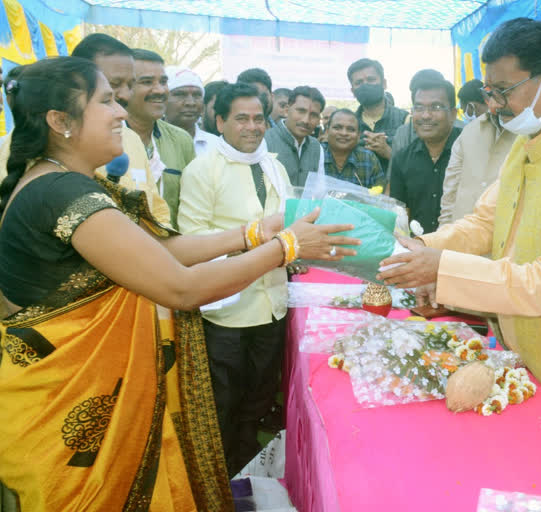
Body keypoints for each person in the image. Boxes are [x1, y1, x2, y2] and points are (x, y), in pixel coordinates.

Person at [0, 56, 358, 511]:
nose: (122, 112)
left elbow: (160, 250)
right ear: (60, 121)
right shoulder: (63, 194)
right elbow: (180, 288)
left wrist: (253, 234)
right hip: (69, 411)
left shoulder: (67, 183)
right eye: (107, 100)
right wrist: (286, 247)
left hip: (73, 398)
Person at [378, 18, 541, 395]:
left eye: (504, 90)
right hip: (519, 349)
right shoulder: (529, 138)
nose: (495, 105)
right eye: (490, 91)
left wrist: (442, 270)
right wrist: (421, 251)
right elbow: (485, 223)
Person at [177, 83, 301, 477]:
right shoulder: (203, 169)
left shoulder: (274, 166)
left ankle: (247, 472)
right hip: (226, 313)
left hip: (271, 306)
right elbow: (192, 244)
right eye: (241, 119)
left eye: (259, 119)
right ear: (219, 122)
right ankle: (216, 480)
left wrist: (289, 250)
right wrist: (255, 245)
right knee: (223, 405)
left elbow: (288, 225)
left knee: (259, 399)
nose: (252, 128)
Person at [70, 34, 170, 225]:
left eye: (131, 85)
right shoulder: (46, 143)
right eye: (113, 85)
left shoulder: (130, 139)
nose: (125, 95)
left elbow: (158, 215)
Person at [125, 49, 195, 228]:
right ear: (126, 87)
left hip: (173, 250)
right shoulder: (109, 136)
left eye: (163, 82)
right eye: (147, 82)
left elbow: (191, 208)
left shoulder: (181, 140)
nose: (160, 90)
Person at [389, 76, 461, 234]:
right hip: (419, 250)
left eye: (436, 107)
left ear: (453, 114)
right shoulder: (402, 159)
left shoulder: (470, 149)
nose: (425, 115)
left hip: (462, 252)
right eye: (419, 108)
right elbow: (400, 213)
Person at [439, 85, 516, 227]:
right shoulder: (469, 132)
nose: (493, 102)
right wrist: (443, 234)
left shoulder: (532, 135)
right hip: (460, 240)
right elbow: (450, 195)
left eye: (501, 91)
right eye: (488, 93)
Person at [347, 58, 409, 170]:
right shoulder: (347, 124)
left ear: (384, 84)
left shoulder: (405, 119)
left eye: (371, 80)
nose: (365, 85)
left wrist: (389, 153)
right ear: (353, 91)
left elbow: (416, 166)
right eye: (358, 83)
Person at [264, 85, 325, 187]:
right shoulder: (265, 141)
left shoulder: (316, 147)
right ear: (287, 110)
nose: (306, 120)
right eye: (301, 111)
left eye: (313, 115)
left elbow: (319, 190)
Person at [321, 108, 385, 188]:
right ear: (327, 131)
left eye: (351, 129)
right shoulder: (317, 154)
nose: (344, 133)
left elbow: (380, 193)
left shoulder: (368, 158)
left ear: (358, 135)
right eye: (337, 127)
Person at [165, 66, 218, 156]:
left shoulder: (217, 146)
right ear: (163, 100)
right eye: (180, 94)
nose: (191, 103)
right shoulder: (149, 144)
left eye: (197, 95)